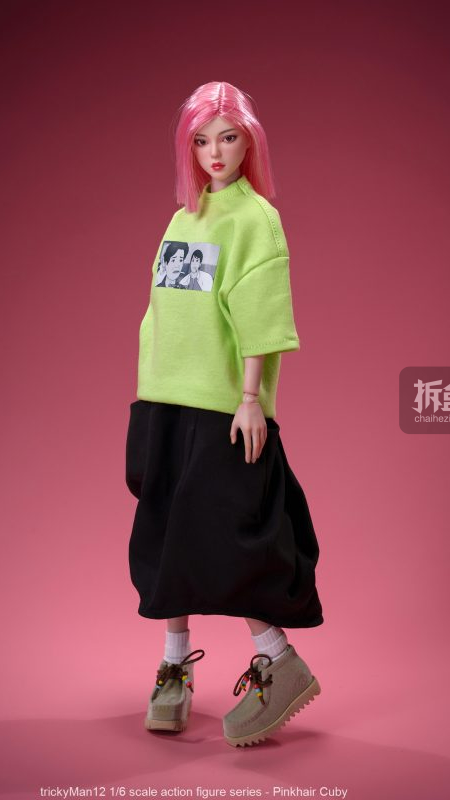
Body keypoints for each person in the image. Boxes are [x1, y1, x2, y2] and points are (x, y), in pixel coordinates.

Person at [125, 81, 324, 747]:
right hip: (163, 398)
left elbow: (261, 314)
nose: (216, 152)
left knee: (229, 536)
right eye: (203, 140)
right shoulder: (184, 218)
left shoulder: (255, 219)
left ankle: (279, 659)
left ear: (249, 142)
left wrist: (250, 399)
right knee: (164, 533)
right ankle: (174, 666)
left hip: (222, 405)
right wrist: (150, 391)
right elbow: (163, 312)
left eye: (229, 137)